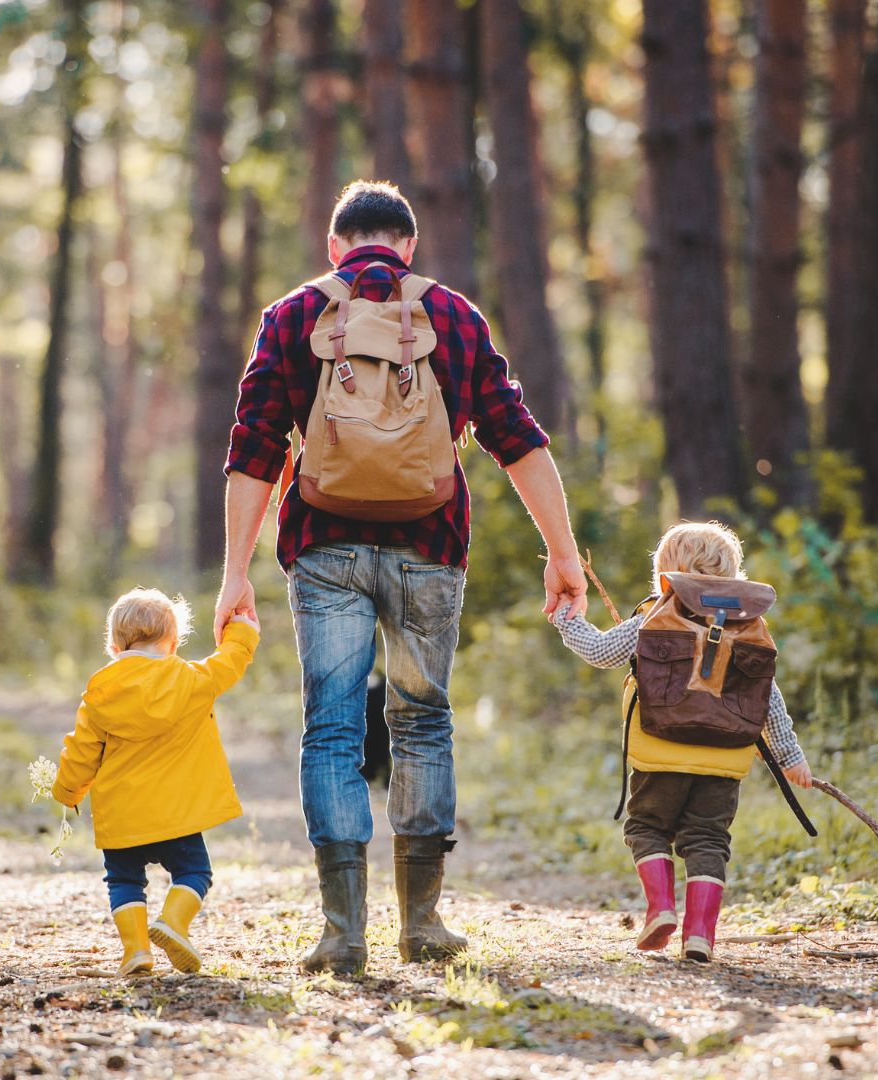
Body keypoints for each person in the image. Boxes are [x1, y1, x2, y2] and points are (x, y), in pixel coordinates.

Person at [217, 180, 587, 973]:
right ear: (408, 247)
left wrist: (232, 575)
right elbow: (515, 436)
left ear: (334, 247)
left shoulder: (292, 316)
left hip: (323, 548)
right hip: (430, 547)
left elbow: (255, 448)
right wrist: (563, 554)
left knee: (333, 729)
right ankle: (422, 924)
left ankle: (341, 932)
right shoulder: (452, 315)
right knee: (421, 722)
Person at [553, 521, 812, 961]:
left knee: (647, 827)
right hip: (724, 760)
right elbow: (767, 697)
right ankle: (700, 936)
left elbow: (599, 653)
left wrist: (566, 620)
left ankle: (660, 908)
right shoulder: (749, 626)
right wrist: (791, 757)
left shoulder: (655, 616)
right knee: (709, 840)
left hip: (660, 752)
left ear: (664, 577)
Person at [51, 587, 259, 977]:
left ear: (113, 644)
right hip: (176, 814)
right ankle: (174, 924)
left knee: (125, 880)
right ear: (174, 642)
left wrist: (67, 790)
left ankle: (136, 952)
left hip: (123, 815)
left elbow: (81, 751)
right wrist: (242, 630)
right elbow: (228, 662)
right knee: (194, 873)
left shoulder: (100, 692)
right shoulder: (191, 680)